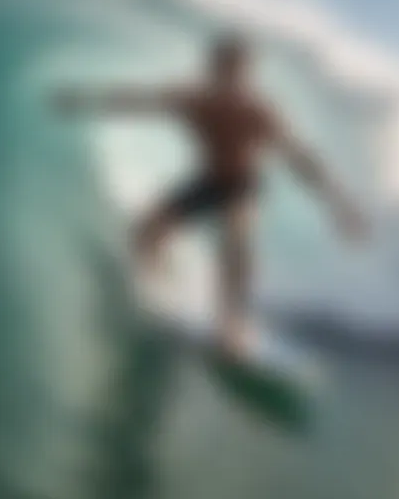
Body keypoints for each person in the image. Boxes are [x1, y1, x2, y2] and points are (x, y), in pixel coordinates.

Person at [50, 34, 368, 357]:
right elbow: (137, 101)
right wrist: (83, 101)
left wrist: (340, 205)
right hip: (207, 181)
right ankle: (158, 292)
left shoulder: (258, 111)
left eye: (238, 71)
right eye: (224, 69)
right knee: (145, 232)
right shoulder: (194, 99)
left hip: (243, 186)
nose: (231, 78)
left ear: (246, 74)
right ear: (213, 69)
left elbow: (300, 157)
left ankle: (231, 324)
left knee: (237, 236)